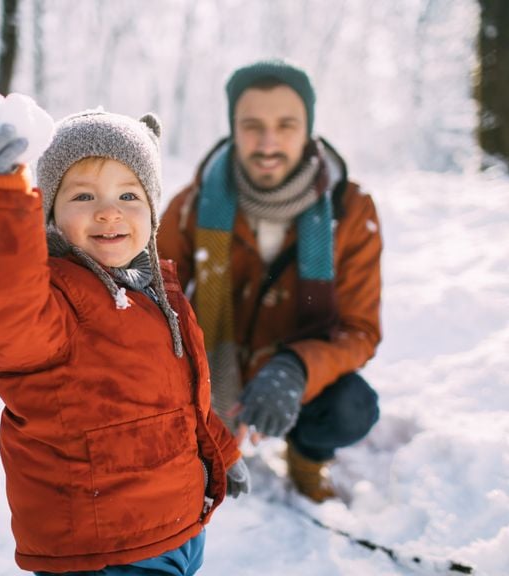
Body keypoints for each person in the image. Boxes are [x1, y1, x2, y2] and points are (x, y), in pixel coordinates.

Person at [0, 103, 250, 575]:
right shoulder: (52, 304)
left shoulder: (157, 293)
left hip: (177, 530)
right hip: (100, 550)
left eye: (130, 196)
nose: (109, 212)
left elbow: (184, 399)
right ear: (48, 213)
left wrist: (221, 454)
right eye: (84, 197)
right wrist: (0, 195)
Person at [158, 59, 382, 503]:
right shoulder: (192, 205)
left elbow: (360, 330)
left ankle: (306, 458)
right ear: (233, 127)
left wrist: (296, 367)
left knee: (352, 406)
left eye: (286, 124)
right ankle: (203, 440)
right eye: (252, 125)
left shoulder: (351, 210)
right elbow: (151, 298)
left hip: (295, 374)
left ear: (308, 128)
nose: (268, 142)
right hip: (212, 369)